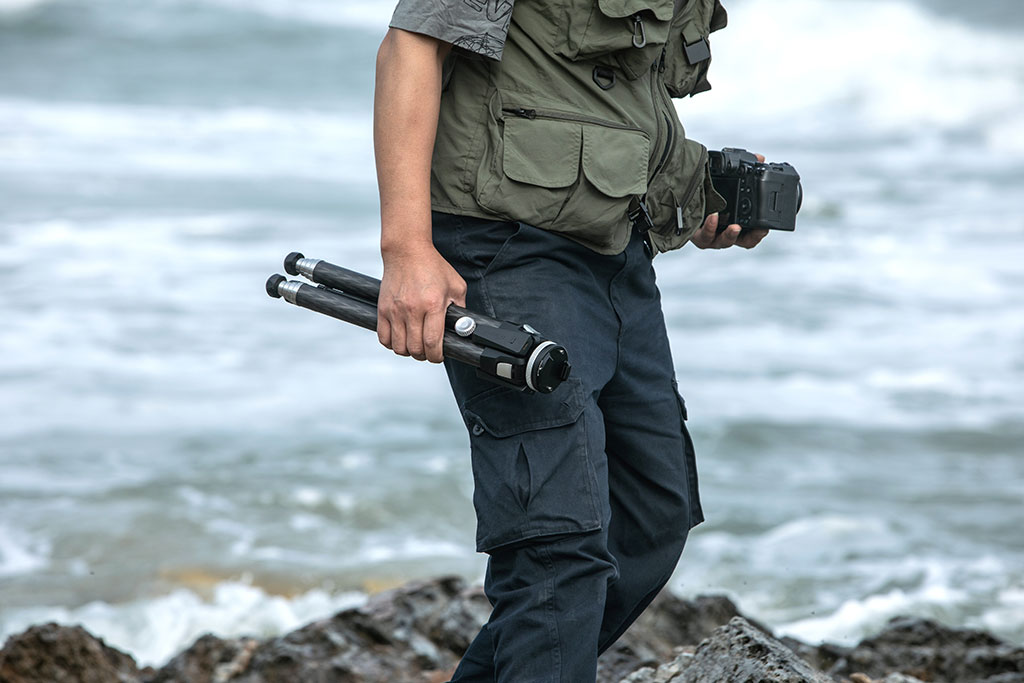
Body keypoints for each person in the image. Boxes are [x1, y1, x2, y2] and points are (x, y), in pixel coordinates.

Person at [372, 0, 767, 679]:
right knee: (556, 543)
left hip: (617, 248)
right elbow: (413, 45)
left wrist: (695, 194)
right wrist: (406, 248)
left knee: (650, 514)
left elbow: (611, 92)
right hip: (507, 241)